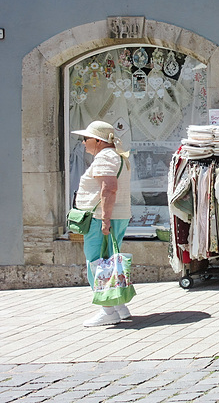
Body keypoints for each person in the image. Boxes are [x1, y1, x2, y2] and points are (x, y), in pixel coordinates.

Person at [71, 121, 132, 327]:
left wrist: (105, 220)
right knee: (110, 261)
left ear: (98, 140)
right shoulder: (117, 156)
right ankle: (119, 307)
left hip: (101, 218)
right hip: (114, 216)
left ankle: (107, 310)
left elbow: (108, 189)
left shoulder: (105, 157)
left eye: (86, 139)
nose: (83, 143)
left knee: (96, 263)